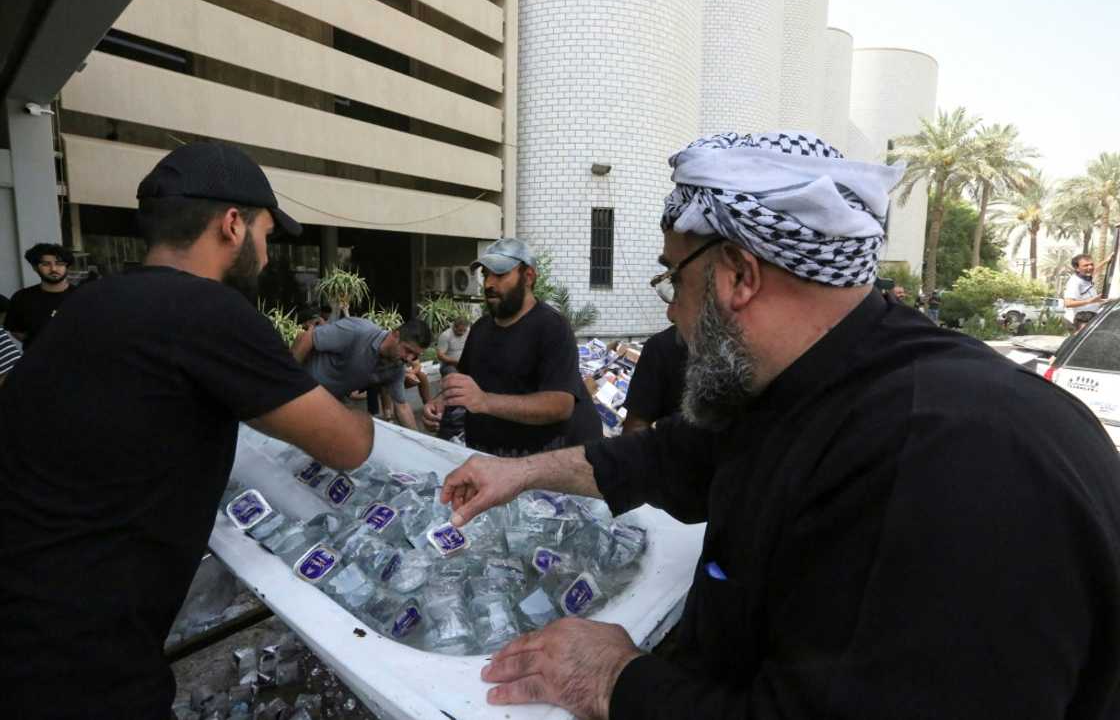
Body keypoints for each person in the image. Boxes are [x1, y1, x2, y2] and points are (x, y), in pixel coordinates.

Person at [438, 131, 1120, 720]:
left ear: (738, 275)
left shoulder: (942, 463)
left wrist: (617, 679)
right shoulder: (798, 381)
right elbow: (659, 458)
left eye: (674, 281)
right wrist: (518, 473)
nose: (672, 314)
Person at [0, 141, 374, 719]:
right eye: (267, 234)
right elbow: (349, 446)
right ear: (232, 225)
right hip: (79, 655)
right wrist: (363, 399)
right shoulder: (208, 312)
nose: (269, 255)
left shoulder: (85, 304)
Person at [422, 239, 602, 456]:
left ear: (528, 277)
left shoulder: (552, 327)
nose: (488, 284)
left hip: (538, 465)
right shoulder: (480, 329)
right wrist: (440, 402)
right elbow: (465, 380)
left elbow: (560, 405)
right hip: (485, 457)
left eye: (499, 275)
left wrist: (485, 401)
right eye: (485, 274)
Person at [291, 316, 432, 431]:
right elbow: (305, 338)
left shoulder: (397, 367)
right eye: (407, 350)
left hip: (330, 400)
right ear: (395, 335)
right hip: (302, 389)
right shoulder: (358, 331)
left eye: (414, 355)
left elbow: (402, 406)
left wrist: (419, 441)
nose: (408, 358)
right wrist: (288, 383)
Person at [6, 242, 75, 347]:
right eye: (46, 264)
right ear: (35, 267)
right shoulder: (22, 297)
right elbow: (16, 331)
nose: (53, 269)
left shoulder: (82, 295)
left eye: (59, 263)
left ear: (67, 267)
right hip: (36, 360)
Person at [621, 324, 687, 433]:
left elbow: (635, 427)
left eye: (679, 305)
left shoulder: (663, 346)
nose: (669, 314)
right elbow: (636, 427)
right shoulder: (661, 347)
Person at [1064, 253, 1114, 332]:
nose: (1090, 267)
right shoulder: (1074, 282)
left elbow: (1096, 270)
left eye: (1091, 264)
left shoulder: (1086, 276)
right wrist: (1090, 301)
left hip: (1089, 316)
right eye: (1086, 265)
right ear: (1077, 268)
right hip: (1080, 319)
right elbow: (1068, 303)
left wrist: (1106, 261)